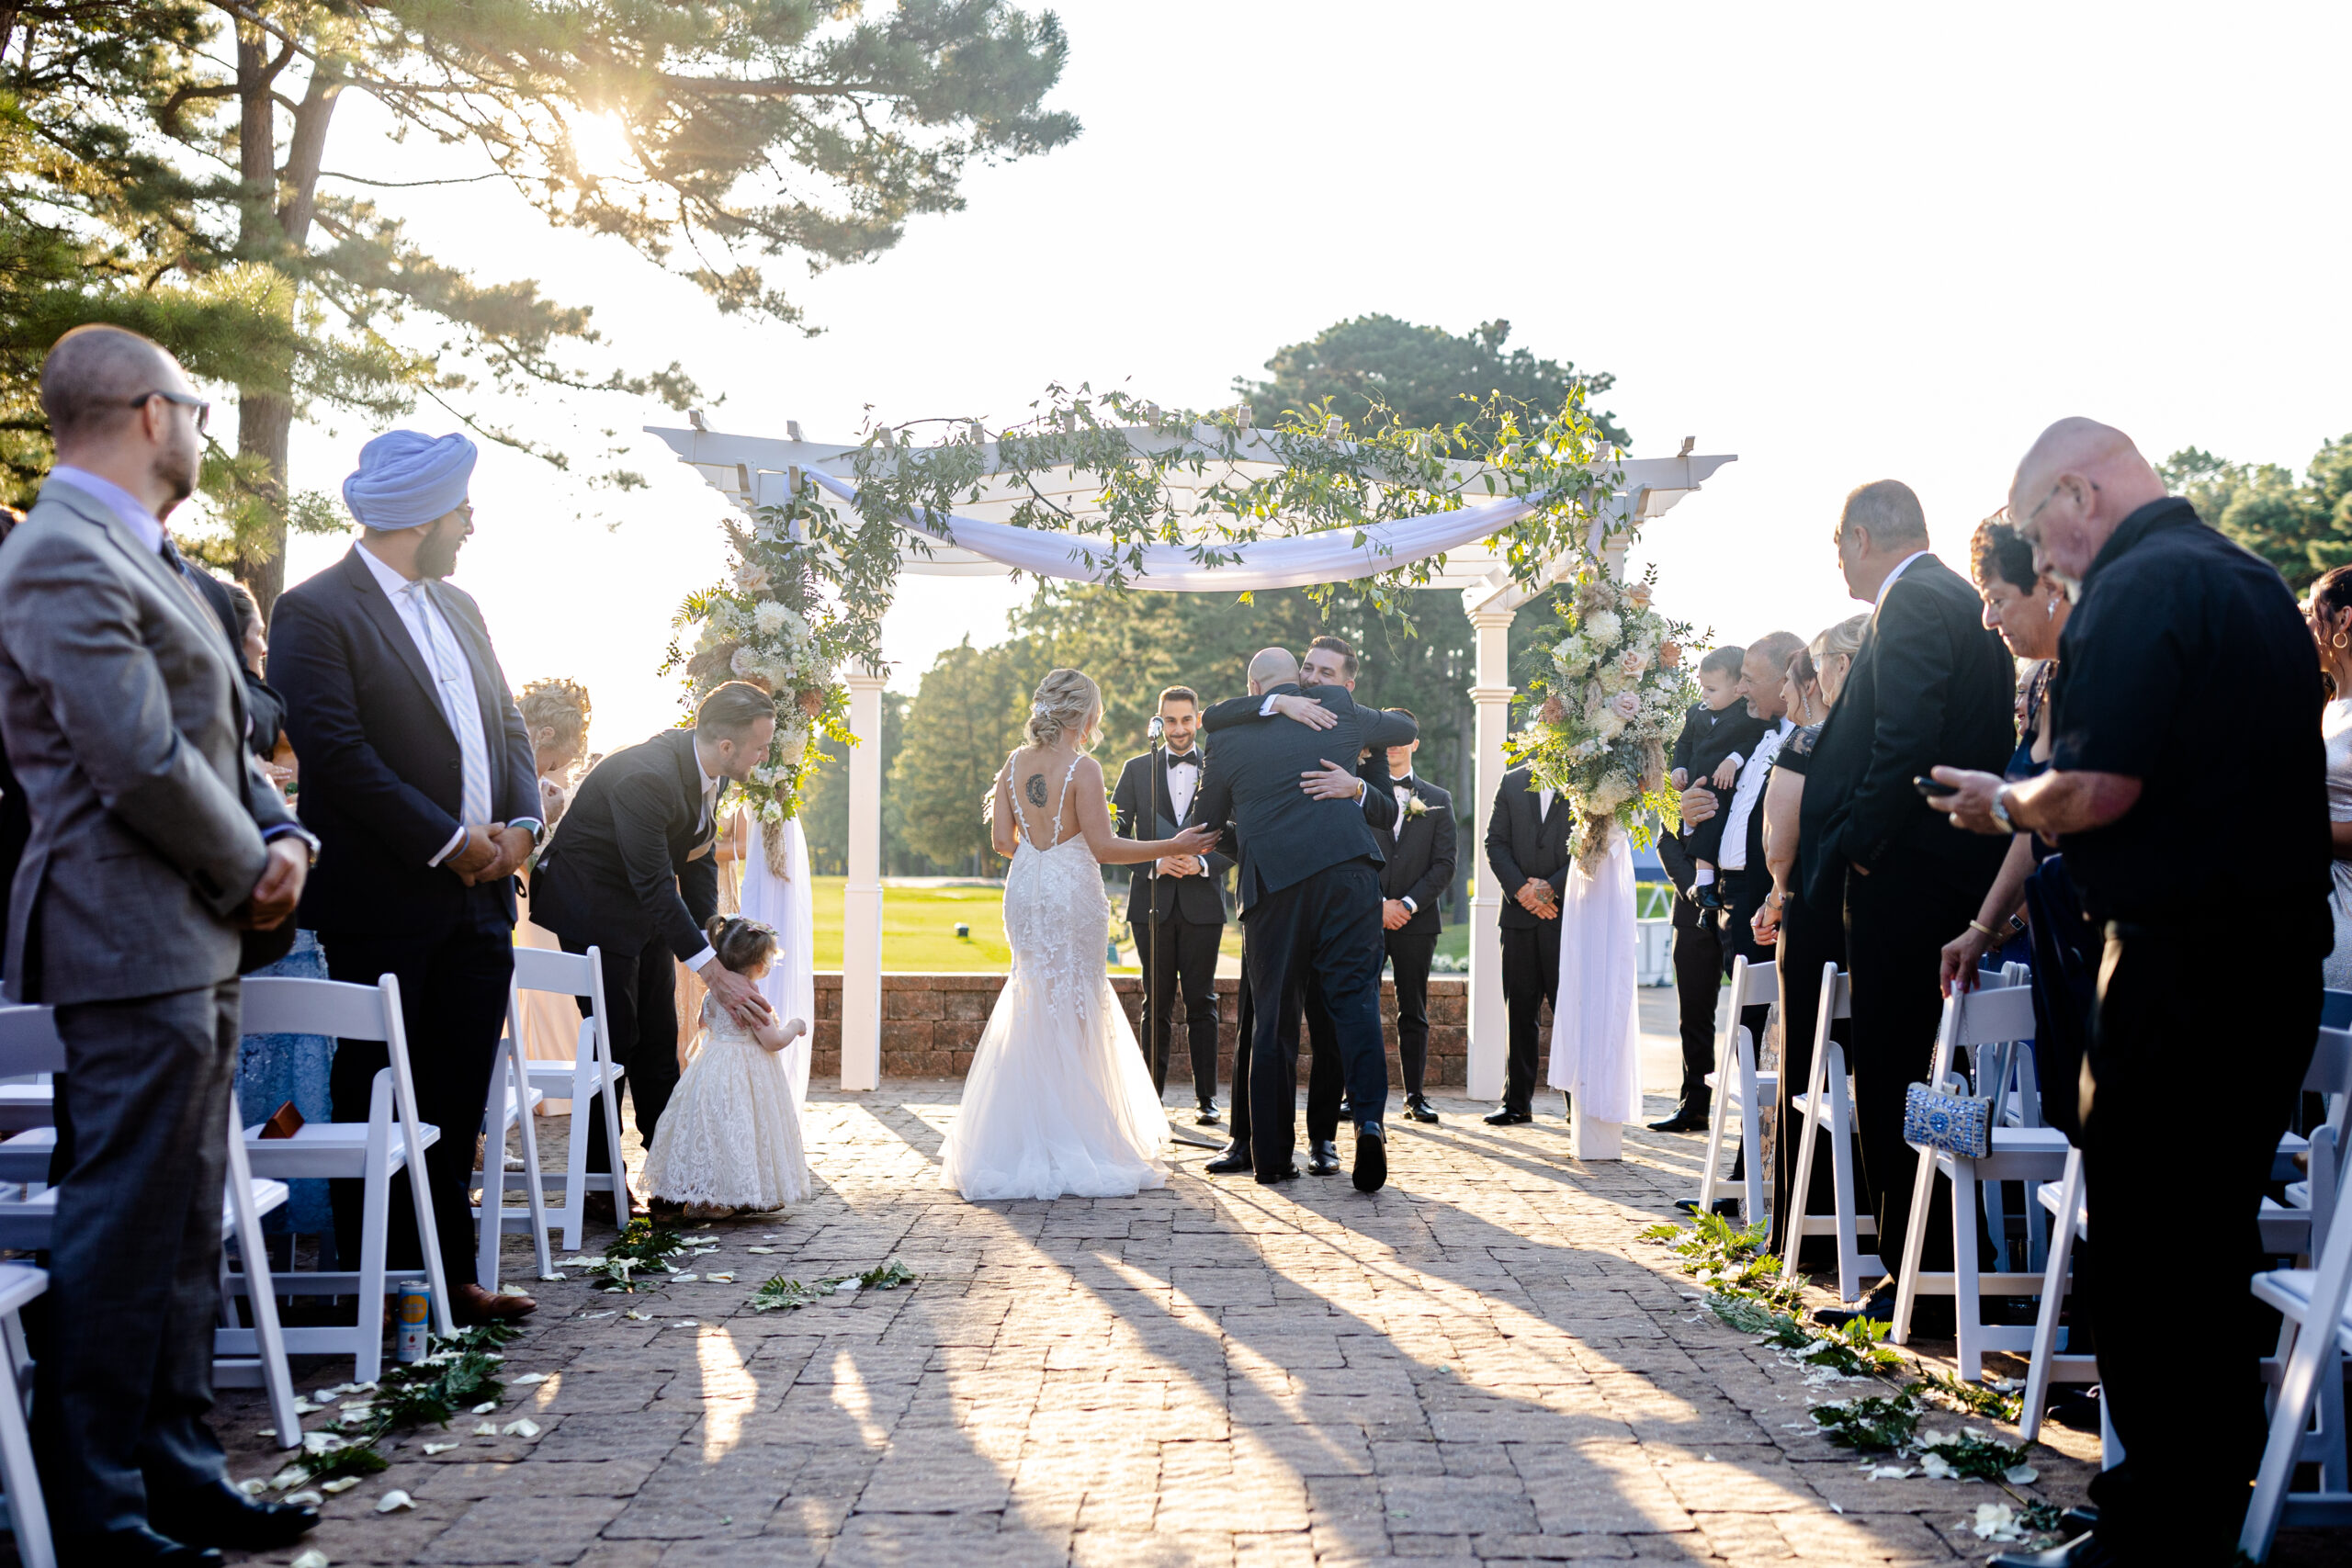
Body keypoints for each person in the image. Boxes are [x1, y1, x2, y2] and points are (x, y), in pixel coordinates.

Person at [1934, 421, 2331, 1568]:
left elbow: (2099, 787)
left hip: (2172, 968)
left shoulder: (2132, 585)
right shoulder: (2250, 581)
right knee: (2204, 1252)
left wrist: (2002, 805)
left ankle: (2156, 1530)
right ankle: (2191, 1514)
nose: (2040, 558)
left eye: (2036, 529)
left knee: (2149, 1259)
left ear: (2075, 490)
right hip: (2269, 971)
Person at [0, 323, 320, 1560]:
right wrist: (252, 870)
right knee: (124, 1216)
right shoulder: (57, 555)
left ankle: (180, 1466)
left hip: (196, 926)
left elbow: (223, 733)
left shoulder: (148, 557)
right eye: (191, 406)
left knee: (187, 1216)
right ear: (146, 414)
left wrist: (287, 830)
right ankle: (96, 1502)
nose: (199, 427)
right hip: (123, 925)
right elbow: (134, 752)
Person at [269, 429, 546, 1326]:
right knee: (380, 1090)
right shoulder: (315, 611)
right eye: (461, 507)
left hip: (483, 904)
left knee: (456, 1097)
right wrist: (449, 842)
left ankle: (451, 1278)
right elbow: (337, 755)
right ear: (423, 515)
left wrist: (521, 826)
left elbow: (506, 726)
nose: (471, 522)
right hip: (385, 899)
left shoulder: (462, 606)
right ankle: (383, 1290)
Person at [1797, 480, 2013, 1332]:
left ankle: (1921, 1271)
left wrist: (1857, 839)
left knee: (1898, 1070)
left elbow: (1905, 741)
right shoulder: (1949, 598)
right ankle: (1944, 1259)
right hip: (1939, 877)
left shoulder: (1918, 599)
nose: (1838, 559)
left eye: (1837, 543)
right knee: (1932, 1069)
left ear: (1858, 535)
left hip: (1911, 878)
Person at [944, 669, 1216, 1200]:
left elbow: (1003, 840)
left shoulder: (1012, 765)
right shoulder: (1084, 768)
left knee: (1033, 996)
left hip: (1025, 887)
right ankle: (1074, 1136)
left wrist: (1039, 847)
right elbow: (1105, 847)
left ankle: (1020, 1138)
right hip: (1071, 890)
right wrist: (1170, 845)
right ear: (1084, 716)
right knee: (1076, 1001)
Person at [530, 682, 782, 1210]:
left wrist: (718, 935)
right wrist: (716, 975)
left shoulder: (711, 772)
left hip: (637, 909)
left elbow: (693, 864)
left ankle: (672, 1179)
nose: (766, 756)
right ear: (728, 745)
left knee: (658, 1041)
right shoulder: (647, 776)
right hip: (590, 906)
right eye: (760, 746)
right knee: (614, 1043)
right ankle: (601, 1184)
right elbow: (652, 884)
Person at [1190, 648, 1417, 1189]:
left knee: (1273, 1019)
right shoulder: (1337, 709)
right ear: (1292, 687)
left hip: (1276, 888)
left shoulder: (1227, 737)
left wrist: (1254, 837)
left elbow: (1205, 823)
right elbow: (1405, 723)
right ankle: (1366, 1121)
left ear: (1254, 687)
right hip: (1349, 877)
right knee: (1356, 1004)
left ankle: (1270, 1158)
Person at [1745, 619, 1863, 1249]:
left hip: (1813, 911)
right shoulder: (1881, 740)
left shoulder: (1810, 744)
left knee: (1811, 1064)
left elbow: (1778, 841)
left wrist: (1778, 889)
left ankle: (1808, 1224)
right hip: (1865, 913)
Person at [1936, 514, 2071, 993]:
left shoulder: (2114, 667)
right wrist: (1981, 929)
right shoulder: (2053, 684)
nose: (1987, 619)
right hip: (2059, 935)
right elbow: (2032, 835)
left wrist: (2001, 804)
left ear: (2049, 585)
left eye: (1996, 600)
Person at [1111, 684, 1232, 1122]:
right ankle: (1151, 1099)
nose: (1179, 729)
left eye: (1186, 719)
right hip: (1151, 902)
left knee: (1202, 1002)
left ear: (1198, 720)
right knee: (1154, 1002)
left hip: (1203, 903)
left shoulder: (1221, 767)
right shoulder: (1135, 768)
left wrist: (1201, 866)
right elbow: (1112, 835)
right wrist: (1153, 864)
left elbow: (1238, 831)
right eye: (1171, 720)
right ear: (1159, 721)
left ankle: (1207, 1100)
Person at [638, 914, 809, 1216]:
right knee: (743, 1129)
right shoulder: (751, 998)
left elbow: (703, 1022)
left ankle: (708, 1197)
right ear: (759, 964)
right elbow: (771, 1040)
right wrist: (794, 1027)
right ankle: (741, 1194)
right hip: (744, 1074)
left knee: (714, 1130)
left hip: (712, 1067)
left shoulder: (714, 992)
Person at [1371, 710, 1455, 1123]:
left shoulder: (1438, 798)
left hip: (1416, 922)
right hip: (1365, 919)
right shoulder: (1359, 793)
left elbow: (1445, 864)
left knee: (1414, 1010)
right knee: (1360, 1007)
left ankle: (1415, 1096)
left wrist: (1406, 904)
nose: (1396, 745)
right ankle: (1357, 1092)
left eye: (1404, 738)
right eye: (1389, 737)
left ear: (1415, 744)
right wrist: (1377, 906)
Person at [513, 678, 594, 1093]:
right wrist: (540, 815)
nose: (547, 771)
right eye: (552, 761)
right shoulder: (504, 765)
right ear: (544, 734)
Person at [1484, 761, 1572, 1124]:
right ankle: (1516, 1102)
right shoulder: (1512, 781)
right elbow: (1495, 843)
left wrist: (1551, 888)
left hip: (1566, 916)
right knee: (1519, 1012)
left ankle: (1577, 1103)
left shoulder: (1586, 780)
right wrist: (1522, 891)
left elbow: (1593, 846)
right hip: (1519, 917)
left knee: (1570, 1013)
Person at [1669, 645, 1767, 910]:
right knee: (1704, 820)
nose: (1704, 695)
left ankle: (1705, 883)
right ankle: (1703, 885)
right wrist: (1678, 769)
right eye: (1703, 688)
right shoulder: (1695, 712)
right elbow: (1684, 744)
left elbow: (1754, 740)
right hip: (1698, 783)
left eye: (1712, 690)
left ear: (1738, 687)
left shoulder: (1748, 714)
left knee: (1715, 820)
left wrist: (1733, 759)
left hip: (1725, 785)